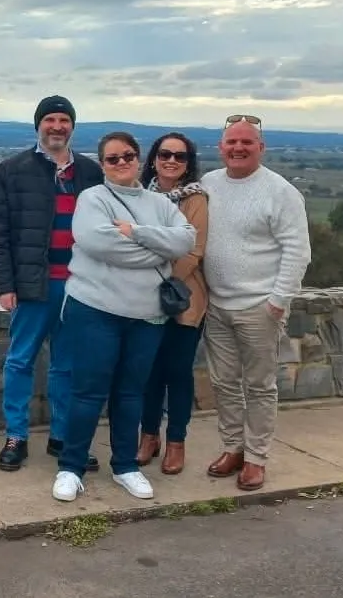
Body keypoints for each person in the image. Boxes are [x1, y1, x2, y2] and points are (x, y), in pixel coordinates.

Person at [51, 131, 195, 503]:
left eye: (128, 156)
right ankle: (71, 466)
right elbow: (99, 243)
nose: (122, 163)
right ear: (102, 164)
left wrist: (137, 233)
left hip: (146, 316)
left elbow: (185, 240)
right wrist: (159, 250)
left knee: (131, 393)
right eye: (113, 158)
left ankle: (125, 466)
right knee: (87, 391)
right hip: (95, 310)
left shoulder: (159, 203)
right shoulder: (92, 199)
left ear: (138, 158)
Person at [0, 95, 104, 473]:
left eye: (64, 120)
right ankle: (16, 436)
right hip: (32, 285)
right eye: (50, 119)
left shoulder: (90, 172)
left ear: (72, 127)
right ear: (38, 125)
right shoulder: (13, 170)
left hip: (79, 287)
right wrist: (4, 284)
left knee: (66, 365)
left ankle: (62, 436)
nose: (57, 126)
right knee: (20, 360)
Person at [201, 116, 311, 491]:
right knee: (224, 383)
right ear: (221, 148)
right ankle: (233, 448)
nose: (238, 148)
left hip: (260, 307)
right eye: (231, 142)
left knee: (260, 386)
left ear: (261, 148)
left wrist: (278, 301)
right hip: (216, 305)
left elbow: (297, 251)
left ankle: (256, 458)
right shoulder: (209, 183)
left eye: (247, 142)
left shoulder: (280, 192)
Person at [136, 133, 209, 475]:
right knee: (149, 371)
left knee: (177, 372)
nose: (171, 161)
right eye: (165, 154)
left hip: (182, 299)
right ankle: (149, 436)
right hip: (144, 301)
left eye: (180, 156)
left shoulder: (195, 199)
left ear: (188, 164)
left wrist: (158, 277)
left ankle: (176, 442)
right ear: (154, 159)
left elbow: (194, 251)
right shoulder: (140, 196)